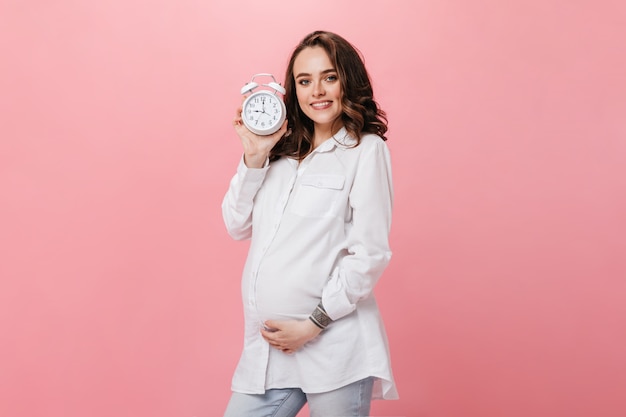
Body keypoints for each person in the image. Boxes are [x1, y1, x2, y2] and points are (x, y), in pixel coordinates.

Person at [222, 30, 397, 417]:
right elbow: (236, 224)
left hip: (333, 345)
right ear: (293, 90)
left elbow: (369, 254)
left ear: (347, 81)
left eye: (329, 77)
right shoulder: (280, 155)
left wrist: (314, 324)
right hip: (270, 351)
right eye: (304, 81)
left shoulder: (365, 151)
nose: (317, 90)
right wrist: (254, 156)